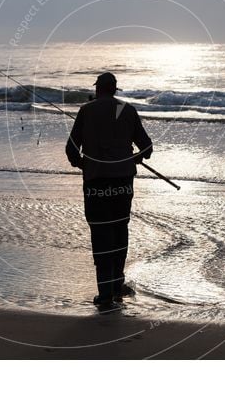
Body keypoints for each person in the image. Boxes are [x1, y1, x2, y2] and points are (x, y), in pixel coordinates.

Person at [65, 72, 153, 310]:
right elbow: (147, 148)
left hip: (96, 184)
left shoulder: (86, 111)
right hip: (123, 183)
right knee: (119, 231)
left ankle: (105, 293)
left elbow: (71, 151)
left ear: (98, 89)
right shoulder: (128, 111)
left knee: (101, 234)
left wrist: (86, 164)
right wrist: (132, 159)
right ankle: (116, 286)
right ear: (114, 90)